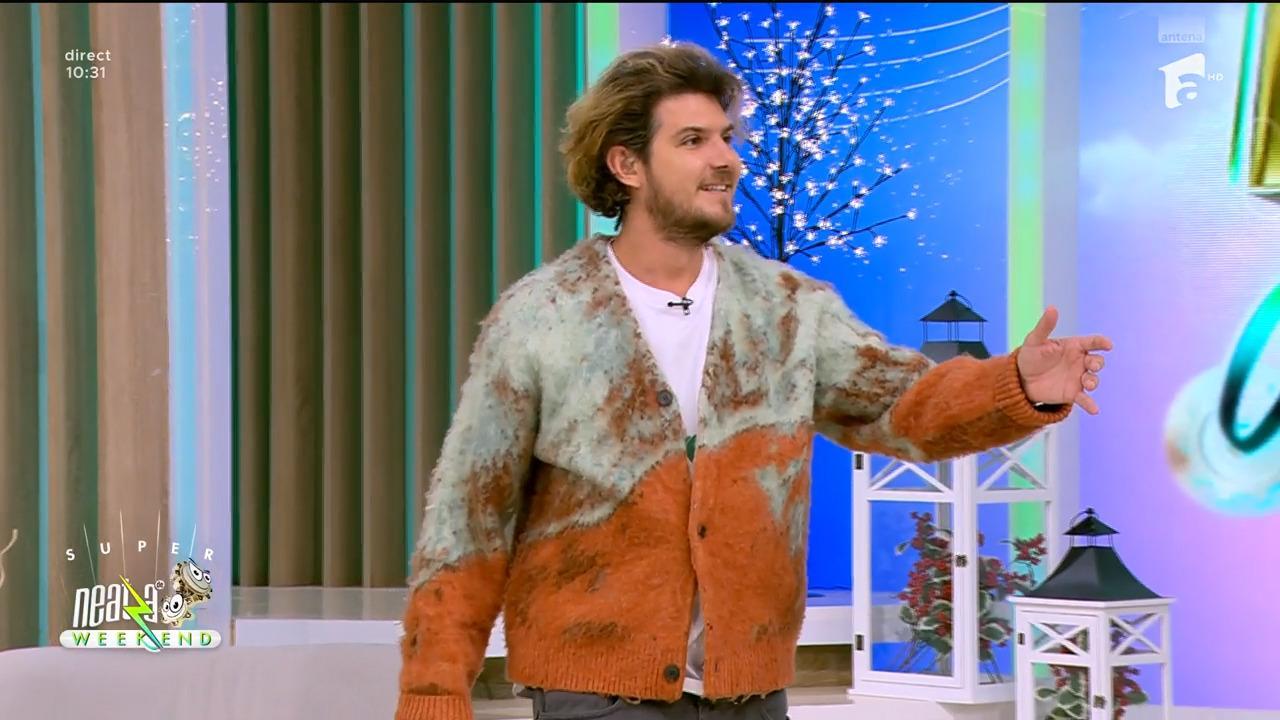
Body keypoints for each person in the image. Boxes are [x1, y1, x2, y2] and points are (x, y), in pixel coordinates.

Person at [395, 42, 1111, 720]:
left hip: (749, 691)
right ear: (626, 164)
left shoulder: (788, 307)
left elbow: (903, 406)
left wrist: (1016, 386)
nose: (727, 160)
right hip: (593, 693)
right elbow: (470, 516)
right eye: (693, 140)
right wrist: (433, 692)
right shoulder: (542, 315)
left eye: (727, 137)